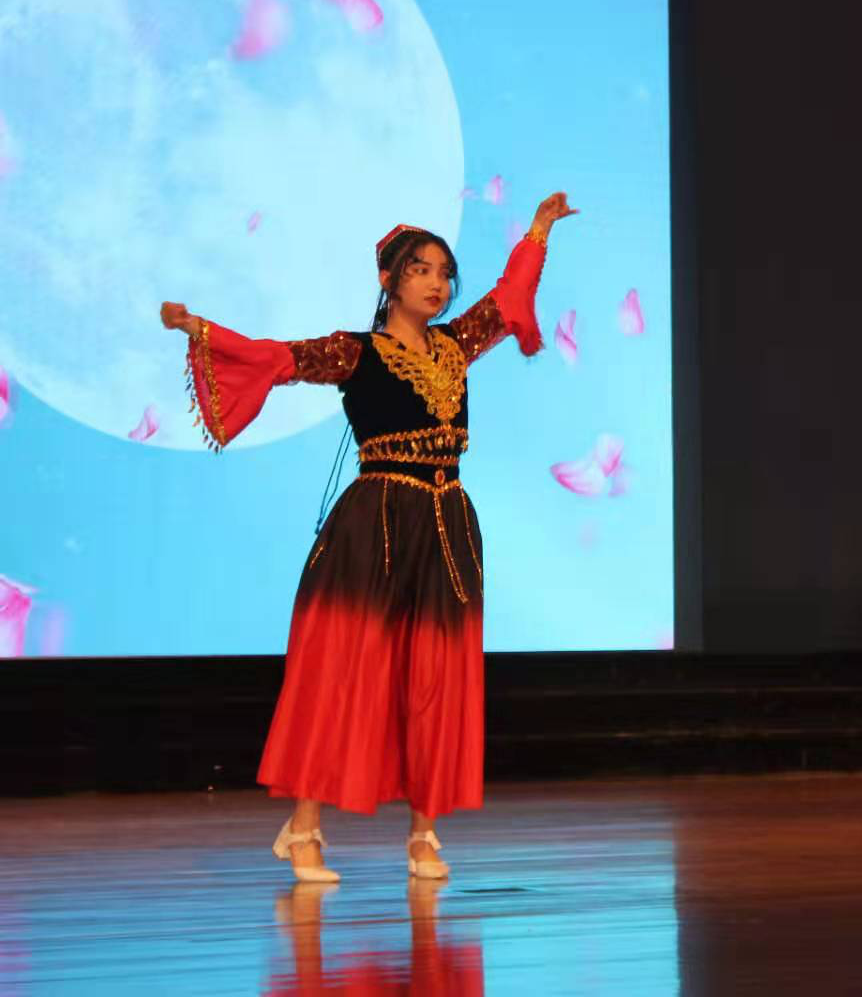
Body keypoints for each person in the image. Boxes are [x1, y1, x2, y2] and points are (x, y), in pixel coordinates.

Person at [160, 192, 577, 881]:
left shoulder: (456, 345)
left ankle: (423, 833)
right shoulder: (354, 353)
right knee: (343, 673)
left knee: (437, 676)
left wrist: (537, 231)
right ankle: (303, 828)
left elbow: (508, 299)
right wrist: (198, 328)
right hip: (375, 525)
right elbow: (275, 358)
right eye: (420, 269)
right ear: (388, 279)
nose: (436, 283)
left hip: (446, 524)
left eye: (444, 272)